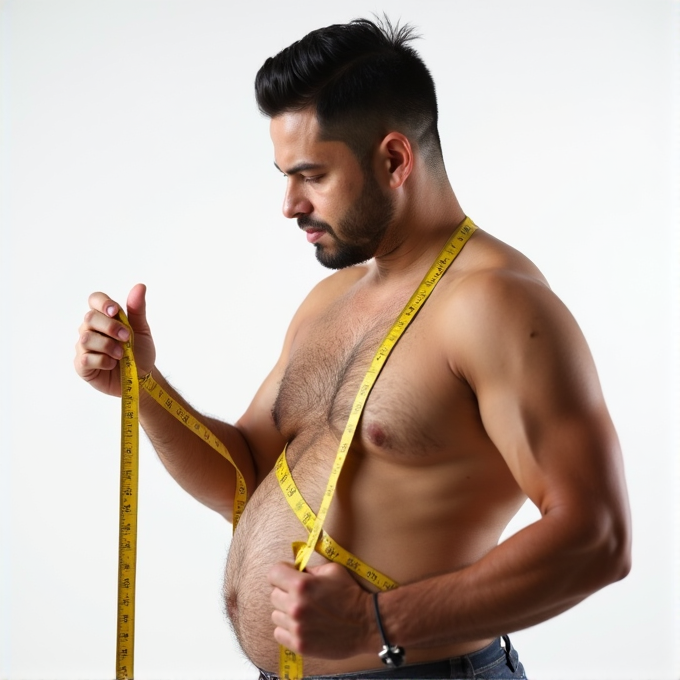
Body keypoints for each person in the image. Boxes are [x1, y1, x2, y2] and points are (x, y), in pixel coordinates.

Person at [74, 17, 631, 680]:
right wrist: (144, 385)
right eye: (284, 175)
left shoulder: (498, 306)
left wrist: (380, 623)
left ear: (394, 160)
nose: (288, 204)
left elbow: (597, 538)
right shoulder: (329, 300)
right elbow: (247, 479)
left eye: (311, 175)